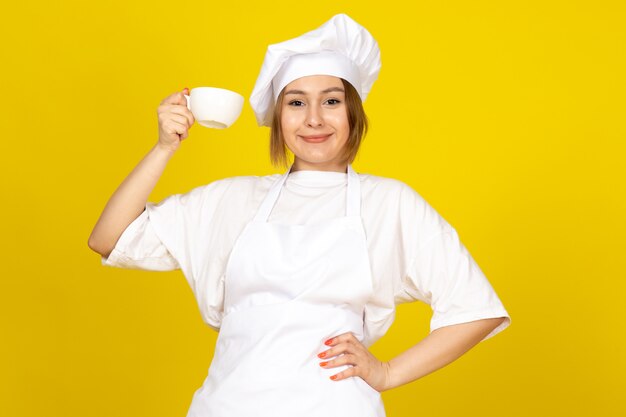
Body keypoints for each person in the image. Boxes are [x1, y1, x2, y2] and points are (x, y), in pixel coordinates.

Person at [88, 13, 511, 417]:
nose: (313, 119)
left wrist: (387, 373)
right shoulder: (232, 201)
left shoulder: (390, 203)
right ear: (278, 117)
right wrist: (164, 147)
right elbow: (108, 238)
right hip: (227, 408)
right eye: (295, 102)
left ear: (353, 114)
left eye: (331, 101)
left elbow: (475, 309)